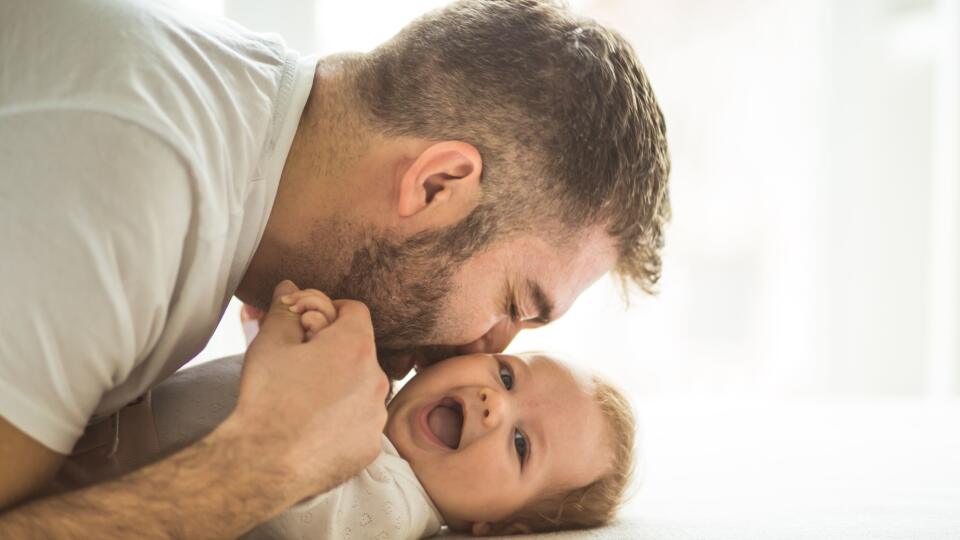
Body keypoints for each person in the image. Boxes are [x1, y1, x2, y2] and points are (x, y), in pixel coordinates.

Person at [0, 0, 669, 537]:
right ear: (437, 185)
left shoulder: (223, 116)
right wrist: (257, 467)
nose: (482, 345)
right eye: (515, 305)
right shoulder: (128, 190)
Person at [53, 289, 637, 539]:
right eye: (507, 376)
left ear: (498, 528)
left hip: (94, 485)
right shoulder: (368, 394)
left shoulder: (394, 508)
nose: (495, 404)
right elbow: (264, 387)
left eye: (519, 446)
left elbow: (296, 503)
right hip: (90, 421)